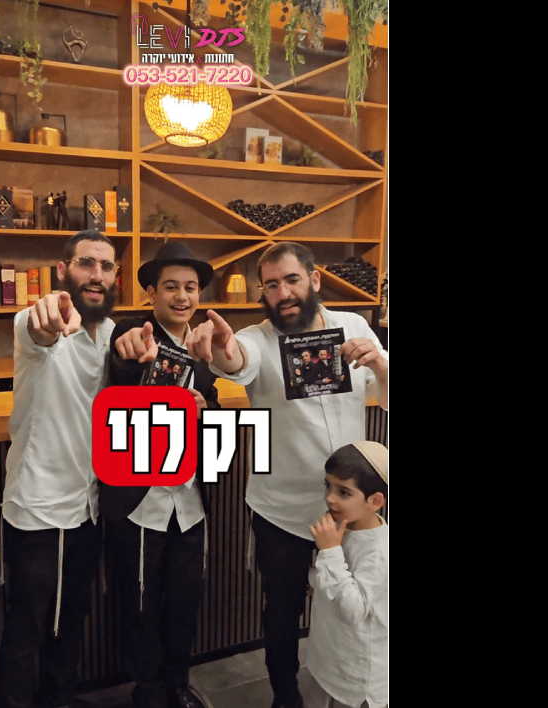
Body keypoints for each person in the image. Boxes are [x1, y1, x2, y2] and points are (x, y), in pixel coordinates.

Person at [183, 241, 388, 708]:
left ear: (313, 280)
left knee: (353, 607)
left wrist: (379, 362)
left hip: (350, 510)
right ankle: (285, 697)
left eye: (292, 280)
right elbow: (237, 361)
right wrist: (222, 347)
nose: (283, 293)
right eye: (271, 285)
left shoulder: (354, 326)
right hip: (282, 511)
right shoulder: (256, 338)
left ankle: (349, 688)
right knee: (281, 612)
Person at [0, 229, 120, 708]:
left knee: (70, 622)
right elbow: (39, 328)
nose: (97, 275)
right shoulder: (36, 320)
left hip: (89, 508)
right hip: (39, 510)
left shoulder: (110, 334)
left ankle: (60, 700)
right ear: (63, 270)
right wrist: (46, 318)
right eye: (86, 263)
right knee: (26, 629)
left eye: (106, 266)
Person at [104, 242, 220, 708]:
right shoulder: (134, 333)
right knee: (140, 605)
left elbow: (212, 411)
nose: (182, 296)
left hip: (189, 502)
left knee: (184, 601)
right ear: (151, 292)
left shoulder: (203, 349)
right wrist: (132, 349)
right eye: (170, 286)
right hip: (140, 501)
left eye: (190, 287)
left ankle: (178, 683)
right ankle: (148, 691)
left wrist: (205, 409)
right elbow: (122, 359)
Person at [307, 441, 389, 708]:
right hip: (333, 658)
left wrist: (329, 551)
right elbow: (337, 580)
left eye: (343, 492)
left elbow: (353, 610)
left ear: (375, 501)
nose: (330, 498)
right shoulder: (344, 528)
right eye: (328, 486)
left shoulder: (379, 551)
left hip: (358, 678)